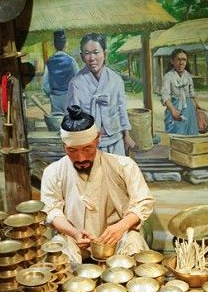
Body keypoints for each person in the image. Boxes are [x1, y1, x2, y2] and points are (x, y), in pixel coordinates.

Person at [40, 106, 155, 267]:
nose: (81, 158)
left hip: (118, 236)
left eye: (87, 149)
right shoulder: (53, 172)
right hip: (75, 238)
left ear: (97, 139)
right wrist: (74, 233)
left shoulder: (123, 165)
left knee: (134, 242)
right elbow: (52, 210)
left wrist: (121, 227)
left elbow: (143, 202)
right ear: (64, 146)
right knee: (59, 249)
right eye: (72, 150)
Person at [66, 33, 134, 155]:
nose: (92, 58)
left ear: (105, 53)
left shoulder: (116, 80)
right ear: (82, 57)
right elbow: (71, 118)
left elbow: (122, 110)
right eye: (87, 53)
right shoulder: (76, 83)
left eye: (96, 52)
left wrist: (127, 136)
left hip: (115, 140)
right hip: (88, 144)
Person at [160, 48, 201, 135]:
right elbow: (165, 95)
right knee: (177, 134)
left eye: (184, 60)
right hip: (175, 107)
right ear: (172, 61)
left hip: (189, 109)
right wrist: (173, 111)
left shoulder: (188, 75)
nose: (181, 63)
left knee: (191, 135)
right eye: (178, 59)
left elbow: (192, 93)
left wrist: (197, 107)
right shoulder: (168, 76)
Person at [41, 29, 79, 114]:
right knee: (70, 123)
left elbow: (44, 85)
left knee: (58, 124)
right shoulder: (71, 61)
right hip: (69, 98)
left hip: (55, 99)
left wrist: (51, 95)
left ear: (54, 45)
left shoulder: (49, 62)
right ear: (66, 44)